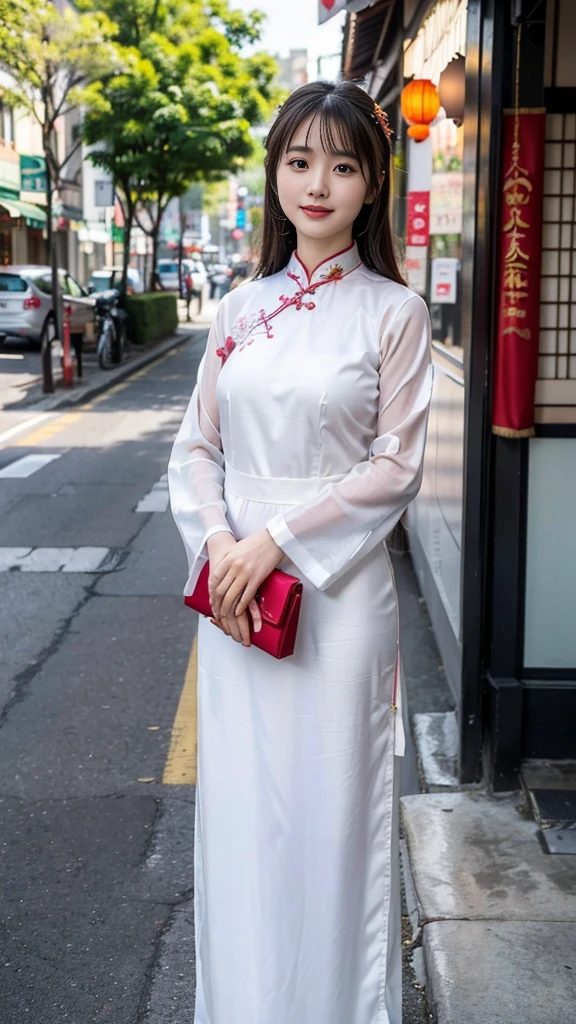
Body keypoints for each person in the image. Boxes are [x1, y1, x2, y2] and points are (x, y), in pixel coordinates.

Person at [168, 80, 432, 1024]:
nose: (318, 183)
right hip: (238, 599)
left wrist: (272, 540)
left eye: (344, 164)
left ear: (371, 184)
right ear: (276, 171)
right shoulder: (238, 311)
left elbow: (396, 467)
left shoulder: (394, 314)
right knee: (241, 821)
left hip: (337, 596)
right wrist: (221, 542)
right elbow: (197, 446)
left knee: (331, 822)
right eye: (299, 159)